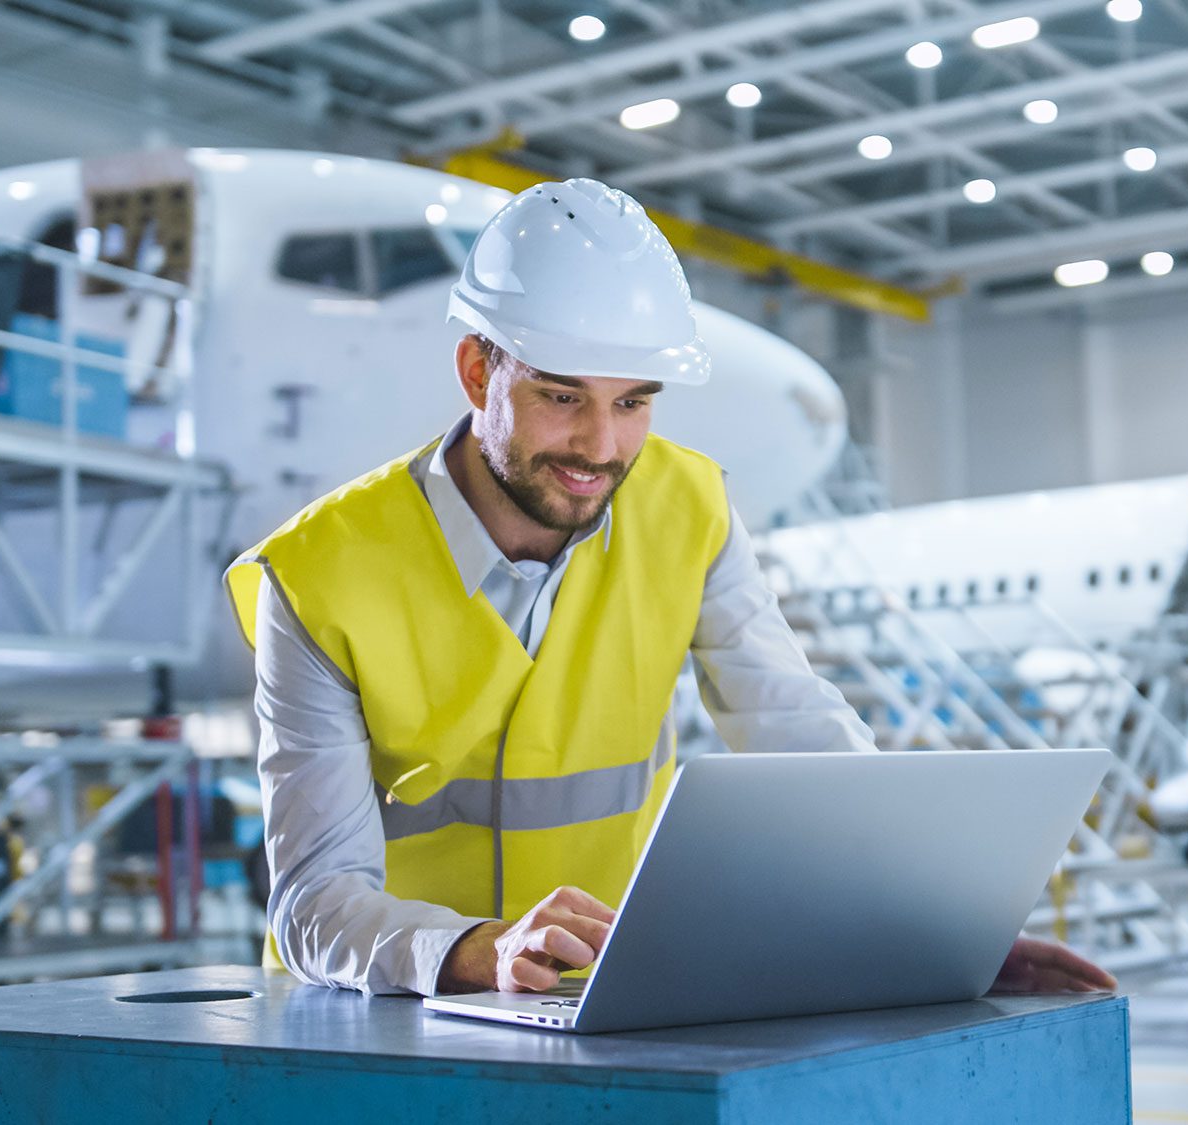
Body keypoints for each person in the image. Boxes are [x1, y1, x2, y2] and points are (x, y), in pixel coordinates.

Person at [226, 177, 1115, 999]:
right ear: (476, 372)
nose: (601, 448)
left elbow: (796, 728)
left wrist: (932, 927)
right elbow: (314, 901)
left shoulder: (688, 507)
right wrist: (476, 950)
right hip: (391, 1020)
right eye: (562, 398)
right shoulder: (318, 576)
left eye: (633, 403)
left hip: (602, 1005)